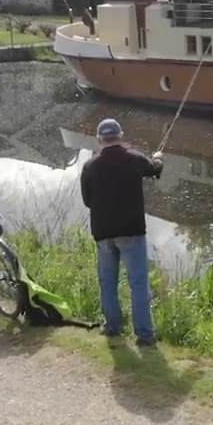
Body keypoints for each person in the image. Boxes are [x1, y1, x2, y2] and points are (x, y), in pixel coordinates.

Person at [80, 118, 164, 345]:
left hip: (103, 233)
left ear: (100, 139)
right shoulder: (134, 159)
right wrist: (158, 158)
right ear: (121, 136)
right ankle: (145, 336)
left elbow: (88, 201)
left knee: (108, 282)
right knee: (138, 283)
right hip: (132, 231)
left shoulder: (89, 167)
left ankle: (113, 327)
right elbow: (154, 170)